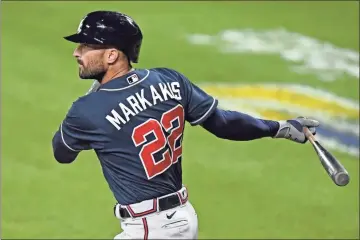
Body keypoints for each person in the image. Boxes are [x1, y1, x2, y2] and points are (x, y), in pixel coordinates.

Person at [52, 10, 319, 239]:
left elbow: (62, 153)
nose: (77, 53)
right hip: (183, 216)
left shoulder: (87, 111)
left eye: (86, 47)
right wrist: (279, 127)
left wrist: (93, 96)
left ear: (112, 55)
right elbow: (223, 123)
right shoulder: (170, 80)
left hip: (148, 228)